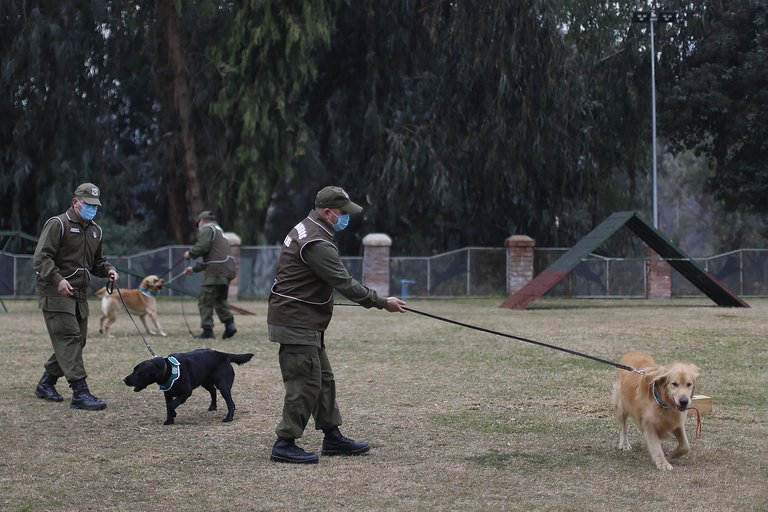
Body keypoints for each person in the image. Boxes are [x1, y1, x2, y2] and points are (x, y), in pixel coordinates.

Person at [268, 186, 406, 464]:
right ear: (328, 212)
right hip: (297, 321)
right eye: (342, 213)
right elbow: (345, 283)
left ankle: (332, 437)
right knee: (304, 383)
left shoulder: (308, 228)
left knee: (323, 380)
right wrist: (382, 302)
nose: (346, 218)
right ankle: (284, 443)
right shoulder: (316, 242)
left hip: (305, 318)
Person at [32, 182, 118, 411]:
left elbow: (97, 262)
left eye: (95, 206)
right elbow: (41, 259)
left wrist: (108, 269)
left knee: (78, 340)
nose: (92, 209)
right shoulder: (57, 224)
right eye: (88, 204)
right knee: (69, 339)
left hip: (79, 293)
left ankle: (46, 383)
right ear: (75, 202)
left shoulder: (96, 230)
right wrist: (57, 280)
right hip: (54, 291)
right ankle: (80, 392)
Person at [183, 211, 237, 339]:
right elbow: (213, 258)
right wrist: (194, 269)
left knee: (205, 301)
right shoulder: (220, 232)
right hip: (227, 269)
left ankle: (207, 332)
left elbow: (202, 247)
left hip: (216, 271)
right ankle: (230, 325)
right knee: (219, 299)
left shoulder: (208, 229)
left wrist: (190, 254)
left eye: (199, 223)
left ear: (202, 220)